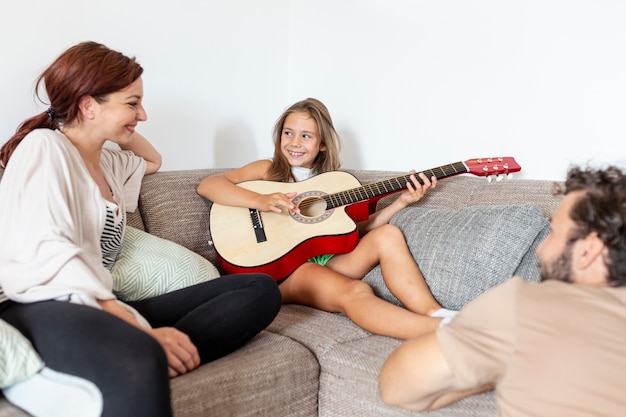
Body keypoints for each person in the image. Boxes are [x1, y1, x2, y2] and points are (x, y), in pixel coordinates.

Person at [0, 41, 282, 417]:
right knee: (142, 349)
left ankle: (156, 353)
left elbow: (153, 159)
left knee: (259, 289)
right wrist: (137, 329)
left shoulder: (109, 163)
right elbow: (52, 253)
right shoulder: (44, 147)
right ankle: (137, 354)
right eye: (133, 103)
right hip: (36, 303)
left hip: (100, 303)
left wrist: (119, 123)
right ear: (88, 105)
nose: (143, 114)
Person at [197, 97, 456, 340]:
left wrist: (401, 202)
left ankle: (435, 313)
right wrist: (259, 201)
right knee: (356, 292)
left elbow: (354, 231)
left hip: (328, 260)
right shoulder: (267, 170)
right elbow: (209, 185)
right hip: (285, 270)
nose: (295, 142)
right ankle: (444, 332)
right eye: (288, 133)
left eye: (306, 136)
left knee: (389, 234)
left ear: (322, 144)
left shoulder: (333, 183)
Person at [378, 165, 626, 416]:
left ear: (588, 250)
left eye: (554, 233)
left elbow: (396, 385)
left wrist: (497, 365)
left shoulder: (523, 305)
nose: (540, 250)